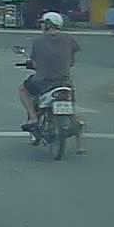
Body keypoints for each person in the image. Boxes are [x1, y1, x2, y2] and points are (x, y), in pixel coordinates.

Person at [19, 11, 84, 153]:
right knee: (72, 111)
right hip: (64, 82)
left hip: (43, 82)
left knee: (23, 89)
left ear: (48, 24)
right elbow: (72, 62)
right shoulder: (69, 39)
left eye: (43, 23)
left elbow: (35, 63)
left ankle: (33, 117)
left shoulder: (38, 41)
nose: (42, 26)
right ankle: (80, 146)